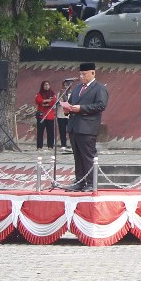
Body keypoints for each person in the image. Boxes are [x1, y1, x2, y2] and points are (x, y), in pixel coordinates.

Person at [57, 62, 108, 191]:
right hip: (74, 126)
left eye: (84, 74)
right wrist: (67, 109)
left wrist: (82, 108)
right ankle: (80, 181)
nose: (82, 76)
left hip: (87, 127)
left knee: (87, 156)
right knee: (77, 156)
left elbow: (100, 105)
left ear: (93, 73)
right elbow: (71, 103)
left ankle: (91, 183)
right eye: (80, 74)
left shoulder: (99, 88)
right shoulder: (78, 88)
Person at [34, 81, 58, 150]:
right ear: (42, 86)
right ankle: (39, 146)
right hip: (41, 116)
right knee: (40, 131)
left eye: (48, 85)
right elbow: (38, 100)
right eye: (45, 85)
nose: (46, 86)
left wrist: (45, 103)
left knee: (50, 131)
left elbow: (54, 101)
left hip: (50, 115)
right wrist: (47, 101)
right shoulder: (39, 93)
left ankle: (50, 146)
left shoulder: (52, 94)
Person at [56, 78, 73, 151]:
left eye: (67, 85)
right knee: (62, 130)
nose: (66, 87)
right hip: (61, 114)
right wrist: (61, 98)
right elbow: (57, 103)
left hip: (70, 115)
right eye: (65, 85)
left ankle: (72, 144)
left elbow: (71, 103)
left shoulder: (72, 93)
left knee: (71, 131)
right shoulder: (60, 93)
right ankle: (63, 144)